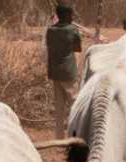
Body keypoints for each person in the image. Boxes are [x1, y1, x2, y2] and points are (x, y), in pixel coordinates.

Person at [46, 4, 82, 139]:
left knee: (59, 108)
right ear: (67, 16)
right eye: (71, 15)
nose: (72, 17)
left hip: (55, 72)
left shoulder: (50, 30)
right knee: (75, 105)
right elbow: (77, 49)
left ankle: (59, 138)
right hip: (68, 72)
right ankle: (75, 135)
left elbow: (50, 47)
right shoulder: (73, 30)